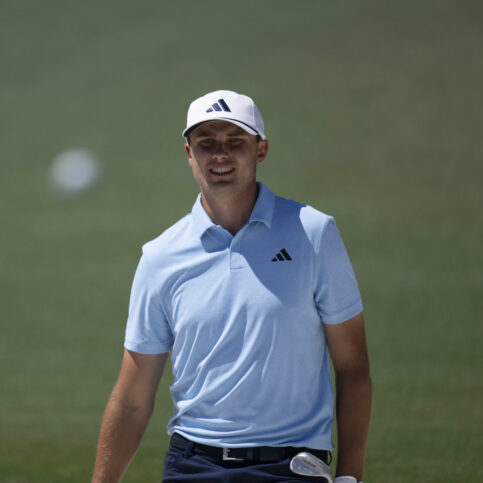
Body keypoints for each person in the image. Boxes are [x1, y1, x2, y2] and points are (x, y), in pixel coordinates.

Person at [92, 90, 371, 483]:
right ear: (189, 153)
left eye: (235, 142)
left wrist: (350, 476)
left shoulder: (313, 232)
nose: (219, 154)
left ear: (261, 151)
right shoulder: (160, 256)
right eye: (206, 143)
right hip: (192, 465)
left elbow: (352, 366)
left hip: (291, 467)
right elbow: (133, 398)